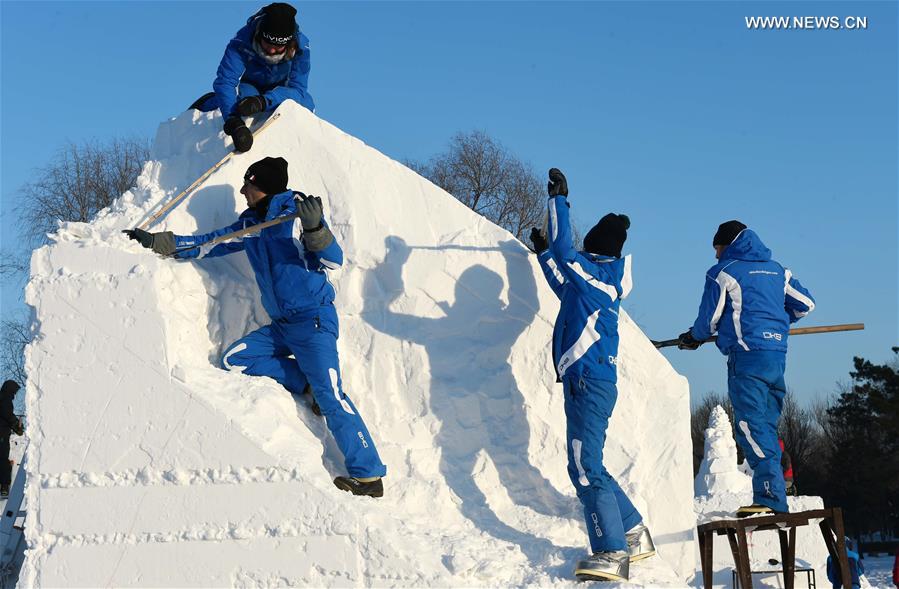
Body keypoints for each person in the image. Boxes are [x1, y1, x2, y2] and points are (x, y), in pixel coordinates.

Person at [124, 157, 386, 497]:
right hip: (281, 325)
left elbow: (333, 260)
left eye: (247, 184)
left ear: (262, 185)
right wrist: (165, 244)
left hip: (313, 320)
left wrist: (316, 229)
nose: (242, 189)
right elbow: (212, 243)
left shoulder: (295, 213)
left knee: (332, 395)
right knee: (236, 359)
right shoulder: (251, 224)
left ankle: (368, 475)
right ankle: (306, 384)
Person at [531, 168, 653, 582]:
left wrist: (559, 203)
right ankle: (634, 532)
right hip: (588, 381)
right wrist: (545, 253)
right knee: (591, 464)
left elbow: (570, 262)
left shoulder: (599, 281)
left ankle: (611, 552)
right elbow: (563, 279)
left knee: (584, 469)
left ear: (596, 248)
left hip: (590, 382)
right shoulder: (592, 282)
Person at [677, 220, 815, 517]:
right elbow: (805, 304)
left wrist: (693, 337)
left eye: (717, 249)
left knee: (749, 427)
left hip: (747, 357)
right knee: (765, 426)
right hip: (776, 356)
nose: (715, 255)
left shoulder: (723, 273)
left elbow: (709, 321)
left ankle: (769, 499)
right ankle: (777, 492)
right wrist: (776, 323)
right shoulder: (780, 271)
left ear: (728, 245)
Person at [191, 3, 314, 152]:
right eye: (268, 44)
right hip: (249, 84)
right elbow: (226, 82)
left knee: (306, 104)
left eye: (278, 46)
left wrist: (263, 101)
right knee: (244, 99)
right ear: (260, 35)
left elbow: (298, 90)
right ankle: (208, 102)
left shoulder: (301, 48)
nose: (272, 50)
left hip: (279, 89)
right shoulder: (242, 41)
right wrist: (234, 123)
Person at [0, 380, 23, 498]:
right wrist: (17, 427)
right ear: (10, 389)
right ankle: (4, 486)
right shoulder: (5, 399)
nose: (15, 393)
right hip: (2, 434)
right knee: (3, 458)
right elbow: (8, 415)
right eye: (15, 390)